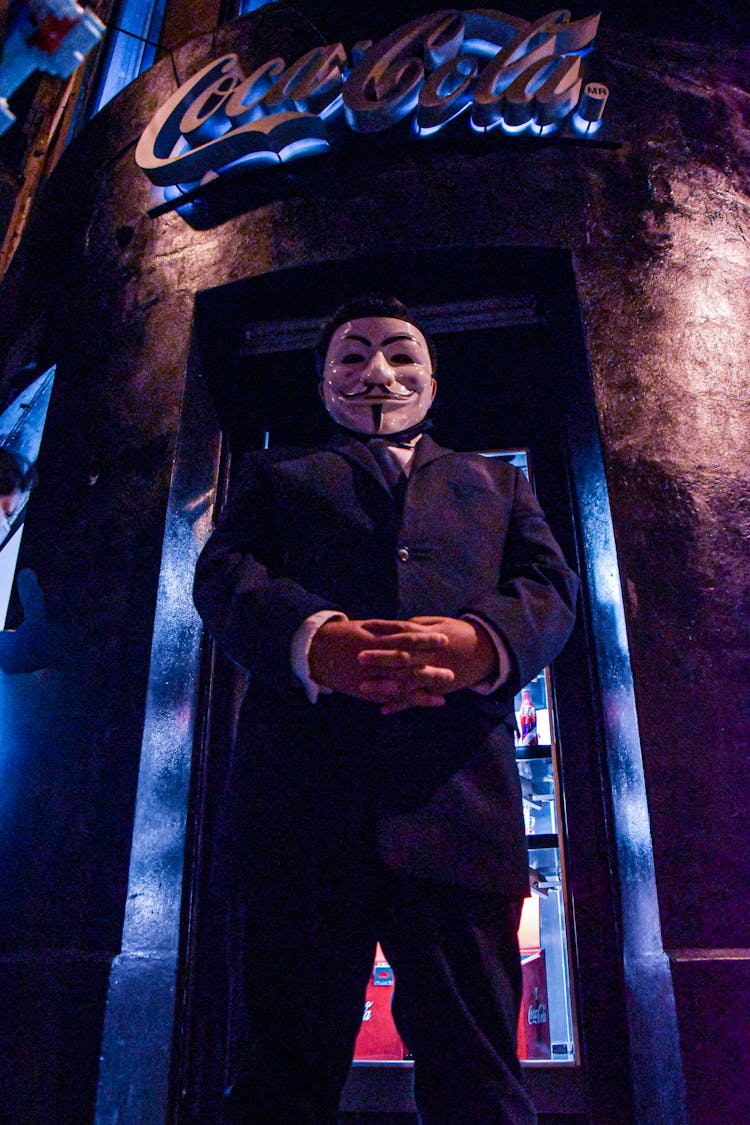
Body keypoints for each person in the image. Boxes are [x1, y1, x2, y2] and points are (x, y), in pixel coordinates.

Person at [193, 294, 579, 1124]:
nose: (379, 371)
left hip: (458, 815)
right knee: (277, 1081)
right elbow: (221, 576)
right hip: (296, 820)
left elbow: (553, 590)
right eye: (353, 356)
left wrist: (485, 641)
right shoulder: (274, 473)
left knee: (480, 1077)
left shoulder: (500, 483)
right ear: (324, 381)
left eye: (401, 354)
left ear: (433, 378)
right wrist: (311, 635)